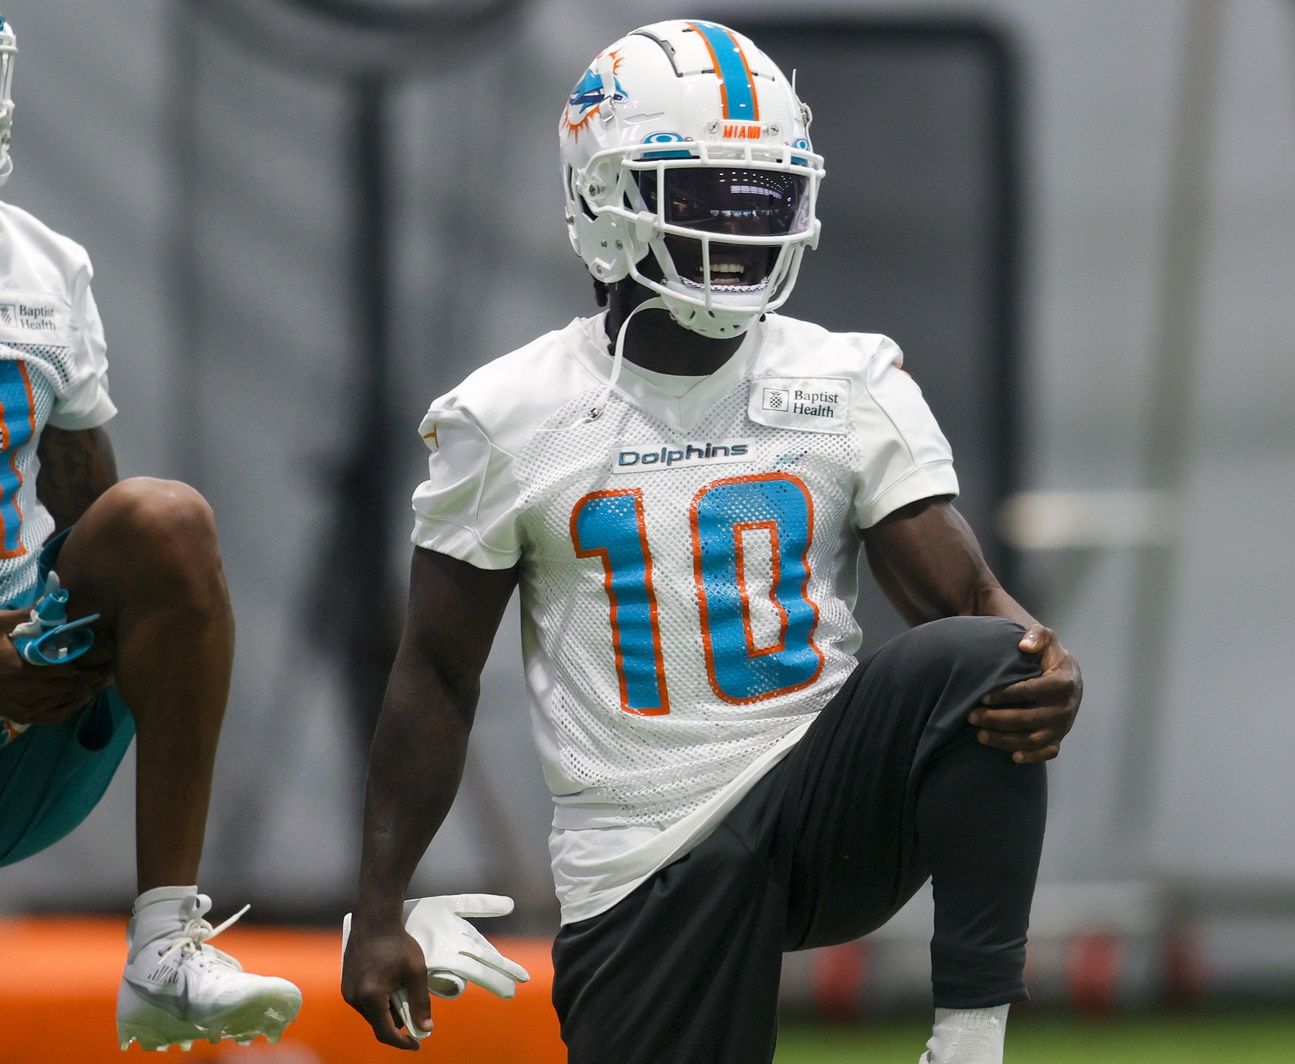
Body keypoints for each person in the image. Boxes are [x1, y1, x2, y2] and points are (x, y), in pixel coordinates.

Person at [342, 19, 1081, 1064]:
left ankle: (967, 1038)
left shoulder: (845, 378)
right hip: (645, 848)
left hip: (823, 797)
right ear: (603, 200)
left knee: (984, 661)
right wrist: (377, 907)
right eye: (702, 200)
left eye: (762, 201)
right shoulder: (509, 413)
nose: (738, 236)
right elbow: (435, 671)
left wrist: (1042, 660)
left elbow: (969, 605)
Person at [0, 14, 302, 1051]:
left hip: (23, 714)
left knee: (163, 522)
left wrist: (59, 651)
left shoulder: (40, 267)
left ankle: (166, 941)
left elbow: (99, 525)